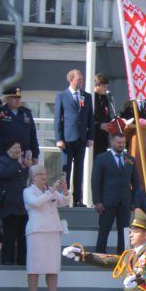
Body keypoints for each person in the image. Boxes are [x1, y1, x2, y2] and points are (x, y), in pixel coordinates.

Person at [23, 164, 70, 291]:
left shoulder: (49, 190)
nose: (44, 176)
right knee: (34, 267)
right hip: (37, 232)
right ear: (33, 178)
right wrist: (53, 190)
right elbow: (36, 204)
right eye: (40, 174)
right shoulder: (28, 191)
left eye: (45, 173)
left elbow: (64, 202)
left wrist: (65, 190)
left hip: (53, 231)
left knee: (53, 267)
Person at [91, 133, 140, 253]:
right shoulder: (101, 158)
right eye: (119, 143)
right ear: (112, 142)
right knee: (104, 229)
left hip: (125, 202)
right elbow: (95, 181)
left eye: (123, 143)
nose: (121, 145)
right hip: (107, 202)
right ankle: (100, 255)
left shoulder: (130, 159)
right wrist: (97, 201)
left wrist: (135, 202)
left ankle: (124, 256)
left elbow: (136, 182)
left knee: (124, 231)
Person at [53, 69, 94, 207]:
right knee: (66, 170)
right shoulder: (62, 96)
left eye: (82, 80)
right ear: (71, 80)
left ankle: (78, 199)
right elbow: (58, 119)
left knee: (79, 170)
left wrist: (90, 137)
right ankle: (63, 198)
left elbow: (90, 118)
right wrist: (59, 138)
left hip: (81, 138)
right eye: (79, 79)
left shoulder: (86, 96)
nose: (81, 82)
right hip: (67, 138)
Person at [0, 141, 32, 265]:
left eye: (19, 147)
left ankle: (22, 260)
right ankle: (7, 260)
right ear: (8, 149)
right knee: (9, 235)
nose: (18, 150)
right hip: (9, 204)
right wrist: (18, 165)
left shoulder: (22, 163)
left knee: (23, 236)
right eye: (15, 147)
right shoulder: (3, 161)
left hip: (23, 205)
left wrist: (28, 166)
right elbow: (2, 174)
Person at [0, 86, 40, 158]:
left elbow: (32, 134)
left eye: (18, 98)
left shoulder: (26, 112)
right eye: (14, 98)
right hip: (4, 155)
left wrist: (35, 155)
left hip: (23, 155)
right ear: (7, 98)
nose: (17, 100)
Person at [92, 74, 115, 159]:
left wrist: (113, 122)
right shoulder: (91, 97)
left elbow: (106, 115)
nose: (106, 89)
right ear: (97, 86)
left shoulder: (105, 99)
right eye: (104, 87)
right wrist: (99, 125)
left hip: (103, 137)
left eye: (106, 87)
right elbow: (90, 117)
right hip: (94, 136)